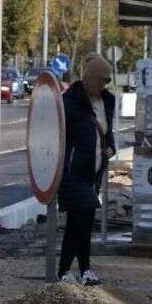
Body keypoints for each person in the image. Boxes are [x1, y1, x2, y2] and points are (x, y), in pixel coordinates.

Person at [58, 54, 116, 286]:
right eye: (101, 80)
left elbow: (107, 130)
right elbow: (58, 135)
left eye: (106, 81)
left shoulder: (108, 101)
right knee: (80, 219)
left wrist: (110, 147)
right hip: (73, 170)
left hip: (94, 170)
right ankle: (71, 271)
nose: (104, 85)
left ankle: (79, 271)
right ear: (90, 79)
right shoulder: (70, 101)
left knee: (81, 221)